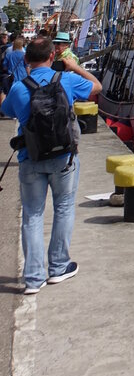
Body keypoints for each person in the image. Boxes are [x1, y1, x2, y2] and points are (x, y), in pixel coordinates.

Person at [1, 36, 101, 294]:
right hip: (64, 157)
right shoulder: (65, 80)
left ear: (26, 60)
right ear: (52, 57)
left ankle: (33, 279)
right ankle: (58, 267)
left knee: (32, 216)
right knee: (64, 209)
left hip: (31, 158)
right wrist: (75, 67)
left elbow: (8, 110)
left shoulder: (19, 88)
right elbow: (97, 87)